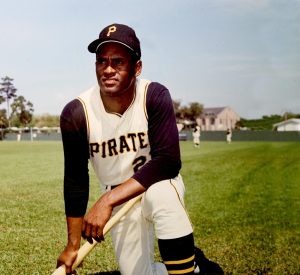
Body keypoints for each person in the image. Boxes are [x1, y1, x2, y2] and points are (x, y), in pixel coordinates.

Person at [56, 23, 223, 275]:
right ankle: (198, 269)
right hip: (118, 200)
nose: (108, 69)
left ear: (137, 67)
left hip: (153, 183)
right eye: (102, 62)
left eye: (118, 62)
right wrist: (72, 245)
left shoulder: (153, 95)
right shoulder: (77, 112)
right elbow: (76, 179)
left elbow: (168, 161)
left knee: (164, 194)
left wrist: (106, 200)